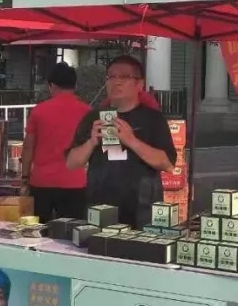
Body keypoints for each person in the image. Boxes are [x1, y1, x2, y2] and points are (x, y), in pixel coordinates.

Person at [66, 55, 177, 228]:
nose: (116, 82)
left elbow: (167, 164)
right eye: (111, 76)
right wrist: (91, 142)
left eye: (124, 77)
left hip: (142, 209)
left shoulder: (153, 118)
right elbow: (71, 163)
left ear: (139, 84)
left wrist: (132, 141)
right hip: (100, 207)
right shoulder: (93, 117)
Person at [21, 62, 91, 222]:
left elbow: (28, 147)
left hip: (41, 181)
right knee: (71, 232)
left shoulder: (39, 111)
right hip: (75, 182)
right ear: (75, 85)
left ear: (52, 85)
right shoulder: (87, 112)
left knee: (38, 231)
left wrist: (25, 177)